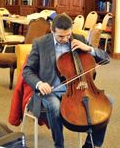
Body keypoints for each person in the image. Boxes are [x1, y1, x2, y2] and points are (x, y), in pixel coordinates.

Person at [23, 13, 111, 148]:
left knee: (108, 101)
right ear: (53, 31)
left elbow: (106, 59)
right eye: (60, 36)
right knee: (55, 106)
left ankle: (91, 145)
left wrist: (89, 49)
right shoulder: (40, 43)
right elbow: (27, 71)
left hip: (78, 88)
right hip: (51, 90)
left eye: (68, 35)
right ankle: (59, 145)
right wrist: (40, 84)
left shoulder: (79, 39)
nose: (65, 39)